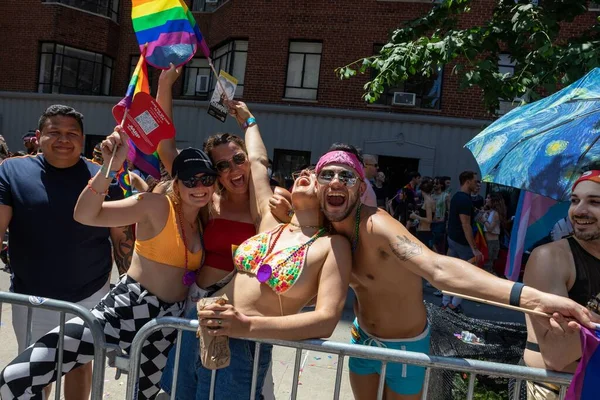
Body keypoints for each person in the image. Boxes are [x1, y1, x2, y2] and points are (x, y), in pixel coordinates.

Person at [313, 145, 597, 400]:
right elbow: (265, 192)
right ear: (315, 184)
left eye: (347, 176)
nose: (336, 181)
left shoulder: (376, 225)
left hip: (404, 346)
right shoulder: (321, 226)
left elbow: (438, 268)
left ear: (361, 187)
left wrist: (532, 298)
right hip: (362, 339)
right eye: (326, 175)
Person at [0, 128, 218, 399]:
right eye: (190, 180)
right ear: (177, 182)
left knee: (147, 395)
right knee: (17, 376)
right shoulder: (156, 205)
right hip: (128, 309)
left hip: (166, 322)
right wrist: (110, 168)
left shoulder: (205, 219)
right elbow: (86, 214)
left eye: (206, 179)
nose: (199, 187)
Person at [161, 101, 352, 400]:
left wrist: (247, 326)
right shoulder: (270, 221)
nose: (306, 172)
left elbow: (327, 320)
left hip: (242, 345)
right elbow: (259, 163)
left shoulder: (333, 245)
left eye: (318, 174)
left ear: (331, 194)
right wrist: (249, 122)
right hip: (199, 327)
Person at [155, 65, 291, 398]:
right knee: (185, 391)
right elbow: (165, 150)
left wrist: (248, 120)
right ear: (214, 173)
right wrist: (164, 86)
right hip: (196, 308)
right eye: (222, 165)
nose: (234, 169)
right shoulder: (208, 200)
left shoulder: (269, 201)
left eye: (238, 159)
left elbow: (260, 162)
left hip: (240, 317)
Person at [0, 105, 133, 400]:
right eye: (55, 132)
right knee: (34, 369)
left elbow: (122, 238)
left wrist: (128, 293)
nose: (64, 139)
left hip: (88, 295)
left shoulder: (103, 177)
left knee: (79, 366)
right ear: (38, 136)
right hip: (30, 295)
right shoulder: (12, 170)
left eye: (72, 133)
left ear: (83, 139)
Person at [523, 170, 600, 400]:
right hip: (557, 390)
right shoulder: (549, 258)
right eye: (575, 200)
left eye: (594, 202)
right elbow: (556, 355)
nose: (578, 210)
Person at [442, 171, 482, 313]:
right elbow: (465, 225)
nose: (476, 183)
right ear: (467, 181)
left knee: (450, 272)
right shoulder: (464, 200)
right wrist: (474, 248)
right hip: (461, 242)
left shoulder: (457, 197)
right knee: (466, 275)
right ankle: (453, 305)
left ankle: (446, 302)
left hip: (452, 239)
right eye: (475, 181)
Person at [479, 192, 507, 275]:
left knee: (487, 265)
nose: (486, 199)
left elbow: (490, 228)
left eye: (488, 198)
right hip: (487, 242)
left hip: (492, 243)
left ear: (493, 200)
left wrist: (484, 220)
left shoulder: (496, 213)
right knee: (485, 264)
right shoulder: (490, 212)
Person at [410, 177, 435, 249]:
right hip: (424, 231)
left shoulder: (428, 202)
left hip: (424, 232)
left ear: (421, 190)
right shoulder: (431, 200)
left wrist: (416, 216)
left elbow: (429, 219)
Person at [431, 177, 450, 254]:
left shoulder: (446, 196)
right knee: (431, 243)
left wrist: (447, 223)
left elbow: (449, 210)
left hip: (440, 223)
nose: (434, 185)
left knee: (439, 244)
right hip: (431, 222)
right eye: (434, 183)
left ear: (441, 185)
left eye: (436, 183)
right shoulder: (431, 195)